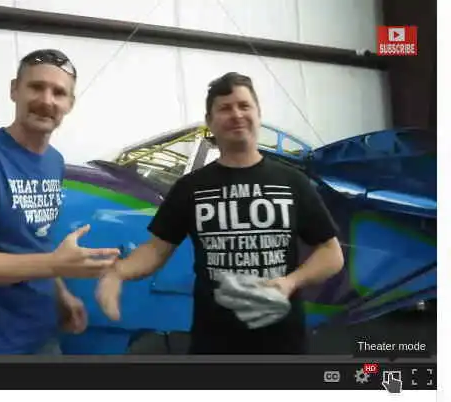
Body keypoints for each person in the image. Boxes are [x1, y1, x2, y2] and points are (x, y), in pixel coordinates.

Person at [96, 72, 344, 354]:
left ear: (258, 114)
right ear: (210, 122)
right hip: (213, 343)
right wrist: (117, 273)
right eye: (225, 108)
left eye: (244, 106)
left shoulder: (292, 183)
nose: (236, 114)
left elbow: (331, 253)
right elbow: (155, 250)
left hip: (283, 342)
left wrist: (290, 282)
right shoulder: (191, 187)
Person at [0, 49, 120, 355]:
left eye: (58, 92)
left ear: (70, 104)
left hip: (43, 333)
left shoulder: (54, 161)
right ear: (14, 90)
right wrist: (54, 264)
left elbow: (35, 242)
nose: (47, 100)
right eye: (36, 87)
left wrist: (61, 294)